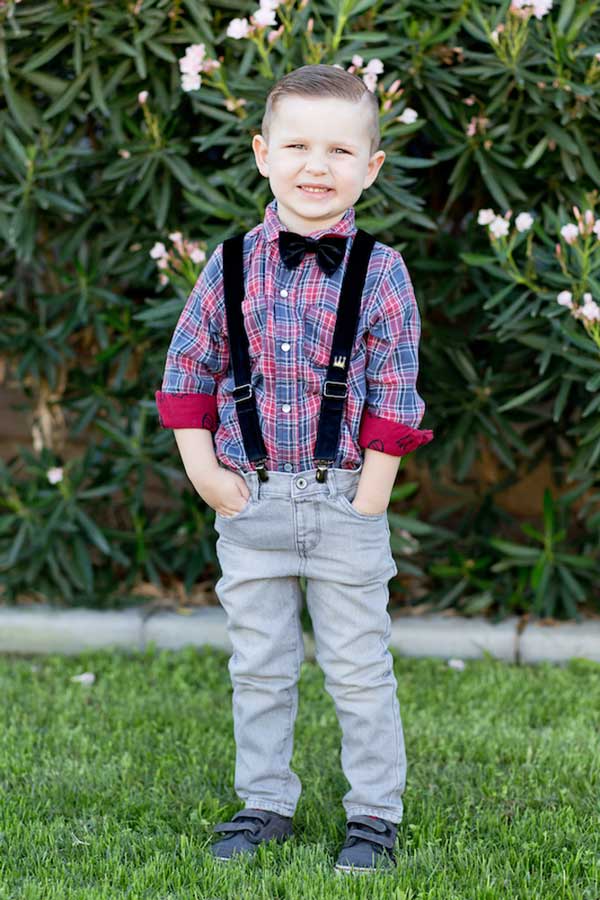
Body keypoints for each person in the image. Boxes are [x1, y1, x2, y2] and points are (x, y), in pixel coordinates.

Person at [155, 63, 433, 875]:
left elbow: (397, 382)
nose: (318, 166)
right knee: (262, 665)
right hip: (253, 502)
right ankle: (265, 802)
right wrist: (206, 475)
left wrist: (373, 494)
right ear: (262, 153)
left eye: (341, 150)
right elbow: (187, 369)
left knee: (358, 668)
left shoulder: (381, 271)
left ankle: (375, 814)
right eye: (299, 146)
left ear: (371, 167)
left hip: (346, 497)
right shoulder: (230, 264)